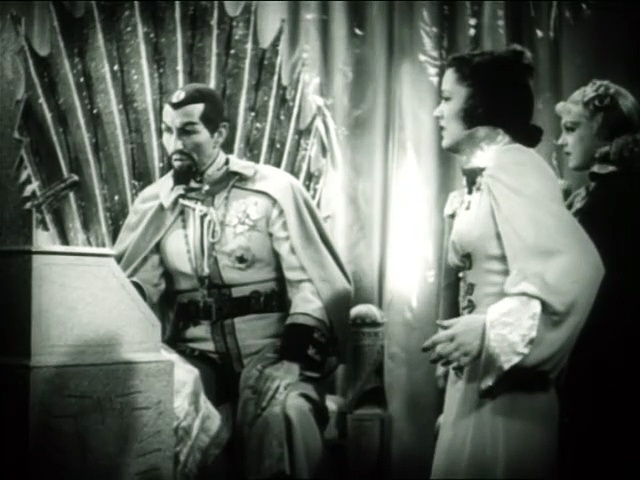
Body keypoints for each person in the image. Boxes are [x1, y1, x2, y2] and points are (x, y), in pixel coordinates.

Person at [113, 83, 353, 479]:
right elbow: (139, 288)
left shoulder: (271, 192)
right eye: (168, 130)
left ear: (219, 133)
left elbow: (309, 283)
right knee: (160, 411)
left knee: (284, 414)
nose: (175, 143)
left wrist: (292, 362)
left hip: (270, 355)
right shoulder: (157, 204)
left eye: (188, 130)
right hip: (195, 359)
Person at [422, 45, 605, 479]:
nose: (437, 112)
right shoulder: (486, 172)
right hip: (478, 387)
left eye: (447, 98)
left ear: (480, 104)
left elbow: (577, 269)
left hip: (510, 397)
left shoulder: (515, 165)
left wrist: (491, 330)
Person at [555, 79, 640, 478]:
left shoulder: (613, 199)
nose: (561, 141)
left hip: (607, 362)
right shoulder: (596, 193)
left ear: (603, 133)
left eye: (571, 129)